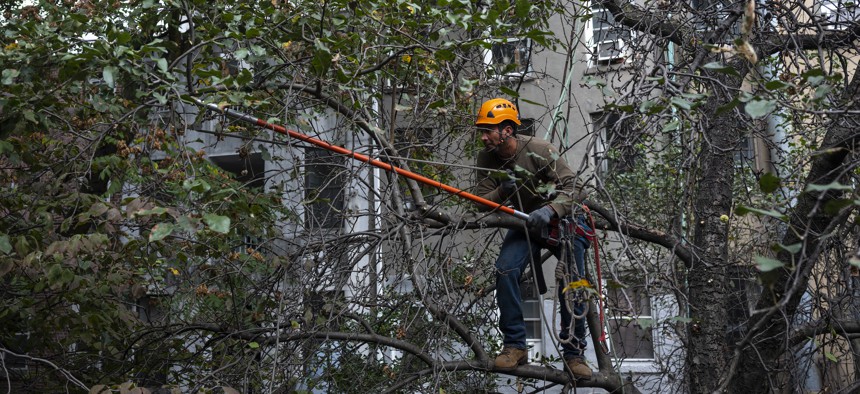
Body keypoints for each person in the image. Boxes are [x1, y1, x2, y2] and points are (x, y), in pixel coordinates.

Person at [473, 98, 592, 379]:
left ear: (507, 131)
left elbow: (576, 187)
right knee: (505, 269)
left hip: (563, 222)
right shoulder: (486, 158)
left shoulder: (539, 149)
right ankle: (515, 345)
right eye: (482, 130)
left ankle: (574, 354)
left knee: (572, 282)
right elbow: (479, 201)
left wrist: (552, 209)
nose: (484, 136)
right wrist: (502, 192)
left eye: (488, 130)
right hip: (527, 224)